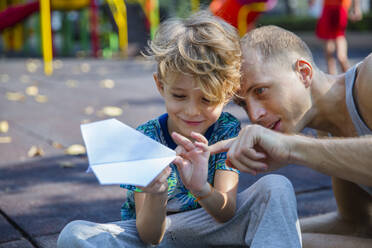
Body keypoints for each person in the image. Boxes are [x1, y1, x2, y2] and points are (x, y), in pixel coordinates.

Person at [57, 12, 302, 247]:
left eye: (206, 99)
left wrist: (201, 189)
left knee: (276, 187)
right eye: (179, 95)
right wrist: (156, 192)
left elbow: (226, 213)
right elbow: (149, 236)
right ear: (160, 85)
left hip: (209, 228)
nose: (192, 111)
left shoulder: (225, 129)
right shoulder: (146, 139)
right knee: (75, 235)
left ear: (228, 93)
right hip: (160, 237)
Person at [209, 25, 372, 247]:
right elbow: (357, 223)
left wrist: (290, 148)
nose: (255, 115)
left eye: (260, 91)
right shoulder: (328, 132)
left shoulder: (368, 79)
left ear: (303, 73)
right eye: (244, 105)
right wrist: (237, 233)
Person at [309, 0, 362, 74]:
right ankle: (333, 78)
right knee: (329, 51)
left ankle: (351, 78)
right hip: (327, 8)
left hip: (340, 8)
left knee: (341, 57)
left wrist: (356, 8)